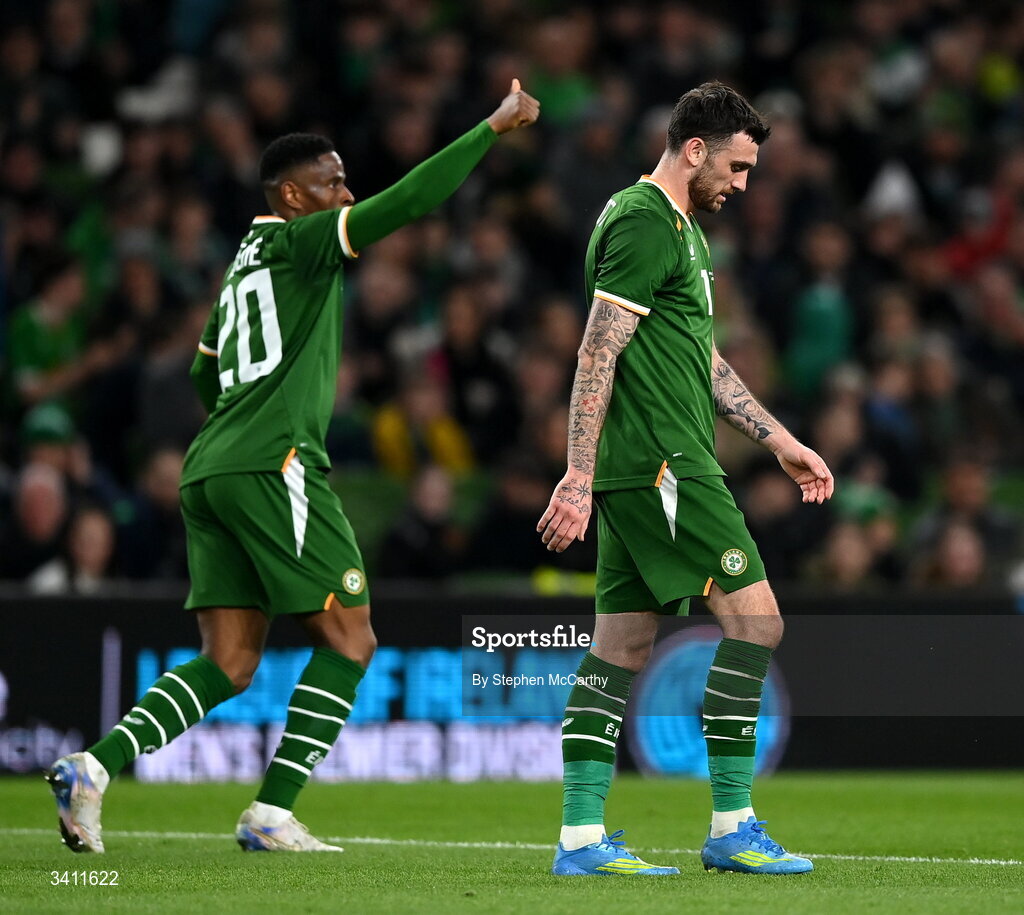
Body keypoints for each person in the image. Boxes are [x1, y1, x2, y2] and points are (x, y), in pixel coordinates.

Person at [47, 80, 540, 854]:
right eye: (332, 182)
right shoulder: (300, 239)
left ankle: (93, 766)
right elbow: (408, 203)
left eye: (344, 179)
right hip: (273, 464)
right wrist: (490, 128)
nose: (346, 191)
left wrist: (250, 410)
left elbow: (206, 373)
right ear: (291, 194)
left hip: (209, 467)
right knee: (351, 637)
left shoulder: (239, 266)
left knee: (232, 660)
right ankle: (272, 809)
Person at [537, 82, 833, 877]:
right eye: (736, 167)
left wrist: (778, 439)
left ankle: (579, 838)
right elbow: (597, 349)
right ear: (694, 149)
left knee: (621, 645)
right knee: (758, 620)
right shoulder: (641, 221)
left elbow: (697, 357)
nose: (742, 185)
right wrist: (577, 472)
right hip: (664, 464)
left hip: (646, 467)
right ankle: (733, 824)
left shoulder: (683, 232)